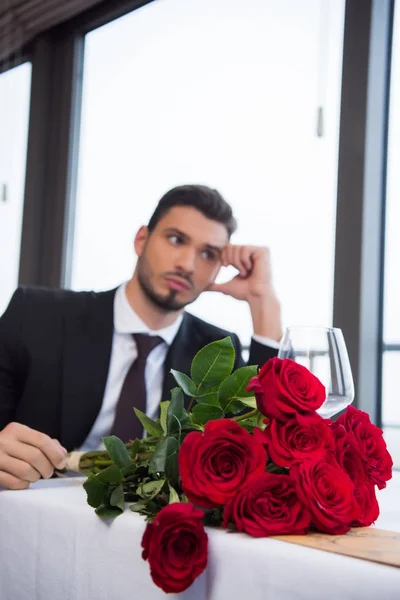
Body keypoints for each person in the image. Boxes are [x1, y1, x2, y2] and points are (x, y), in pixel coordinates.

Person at [0, 184, 282, 490]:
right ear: (141, 240)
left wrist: (263, 300)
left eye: (207, 254)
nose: (187, 265)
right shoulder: (36, 314)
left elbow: (263, 441)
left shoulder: (216, 350)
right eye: (176, 240)